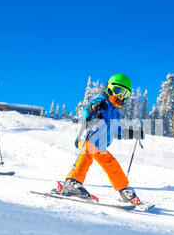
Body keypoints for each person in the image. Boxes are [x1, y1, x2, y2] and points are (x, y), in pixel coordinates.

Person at [60, 74, 144, 205]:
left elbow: (117, 131)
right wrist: (92, 109)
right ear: (109, 89)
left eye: (124, 94)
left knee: (111, 163)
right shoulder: (100, 101)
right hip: (88, 138)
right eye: (118, 91)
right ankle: (72, 182)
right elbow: (84, 113)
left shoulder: (116, 113)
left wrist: (133, 133)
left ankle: (123, 189)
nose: (120, 97)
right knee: (85, 157)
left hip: (100, 145)